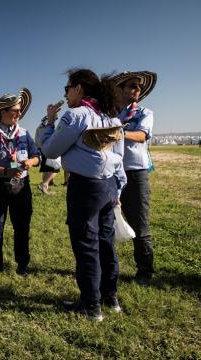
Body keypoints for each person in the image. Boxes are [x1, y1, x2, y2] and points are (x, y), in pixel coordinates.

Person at [41, 69, 126, 321]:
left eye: (67, 89)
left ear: (78, 88)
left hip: (85, 188)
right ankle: (109, 297)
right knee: (105, 241)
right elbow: (119, 157)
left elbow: (51, 149)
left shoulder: (75, 115)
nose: (65, 95)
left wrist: (48, 123)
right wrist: (118, 188)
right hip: (108, 185)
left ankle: (91, 305)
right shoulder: (110, 117)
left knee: (86, 243)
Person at [0, 88, 39, 275]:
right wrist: (7, 171)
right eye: (15, 110)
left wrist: (30, 161)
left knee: (22, 227)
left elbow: (37, 156)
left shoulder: (24, 133)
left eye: (20, 110)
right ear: (3, 112)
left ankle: (23, 265)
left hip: (21, 186)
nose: (19, 114)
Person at [112, 71, 157, 286]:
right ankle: (108, 267)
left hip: (135, 174)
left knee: (140, 226)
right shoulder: (110, 114)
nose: (137, 90)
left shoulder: (145, 113)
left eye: (138, 87)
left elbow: (141, 136)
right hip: (111, 173)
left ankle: (145, 271)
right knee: (107, 221)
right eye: (132, 86)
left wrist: (117, 133)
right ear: (119, 89)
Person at [35, 114, 61, 195]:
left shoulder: (39, 127)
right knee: (55, 168)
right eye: (55, 118)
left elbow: (37, 140)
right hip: (48, 148)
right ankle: (44, 184)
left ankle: (45, 188)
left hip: (41, 149)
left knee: (46, 169)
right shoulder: (47, 126)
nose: (55, 119)